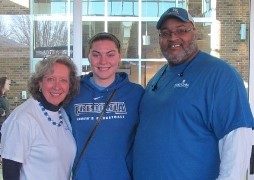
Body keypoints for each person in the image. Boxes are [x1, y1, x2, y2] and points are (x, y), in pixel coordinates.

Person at [133, 7, 254, 180]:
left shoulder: (220, 75)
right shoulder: (159, 76)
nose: (173, 38)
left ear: (195, 32)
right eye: (165, 33)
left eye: (182, 30)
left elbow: (237, 139)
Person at [65, 32, 144, 180]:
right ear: (89, 57)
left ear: (119, 56)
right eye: (96, 54)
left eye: (110, 54)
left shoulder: (136, 94)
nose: (103, 61)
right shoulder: (72, 91)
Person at [1, 55, 79, 180]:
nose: (57, 86)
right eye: (50, 79)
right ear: (39, 82)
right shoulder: (23, 119)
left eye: (63, 80)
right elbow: (10, 172)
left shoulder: (62, 114)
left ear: (70, 86)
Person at [0, 77, 11, 141]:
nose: (9, 85)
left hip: (4, 124)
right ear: (2, 84)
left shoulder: (4, 96)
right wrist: (1, 111)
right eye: (7, 84)